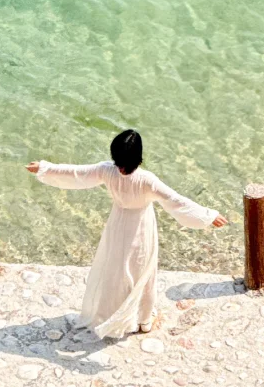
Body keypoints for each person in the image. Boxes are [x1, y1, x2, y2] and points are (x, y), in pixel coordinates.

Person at [27, 129, 227, 339]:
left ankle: (113, 315)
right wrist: (208, 215)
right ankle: (144, 321)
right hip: (141, 227)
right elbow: (176, 201)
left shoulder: (107, 170)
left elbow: (77, 173)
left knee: (116, 273)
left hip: (117, 224)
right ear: (138, 156)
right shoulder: (146, 180)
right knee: (144, 274)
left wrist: (44, 168)